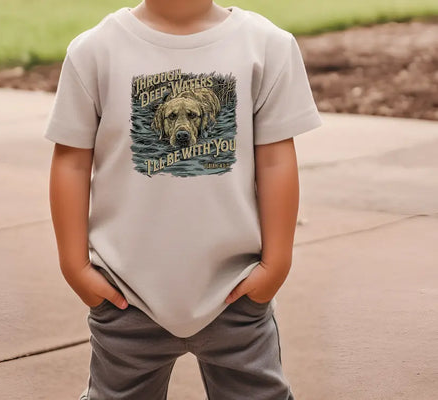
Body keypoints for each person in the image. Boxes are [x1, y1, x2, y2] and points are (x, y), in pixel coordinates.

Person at [44, 0, 322, 398]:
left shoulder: (266, 46)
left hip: (237, 291)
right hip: (125, 294)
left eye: (190, 119)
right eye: (172, 120)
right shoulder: (94, 51)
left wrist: (276, 264)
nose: (181, 127)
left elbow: (277, 161)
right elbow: (70, 162)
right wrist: (75, 267)